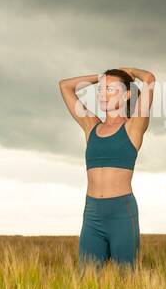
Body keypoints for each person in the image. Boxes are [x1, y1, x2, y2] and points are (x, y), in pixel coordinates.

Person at [58, 66, 155, 269]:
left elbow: (149, 78)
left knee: (126, 280)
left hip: (121, 213)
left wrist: (129, 71)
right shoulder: (91, 125)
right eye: (100, 90)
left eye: (110, 89)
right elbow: (65, 86)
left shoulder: (133, 127)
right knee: (87, 280)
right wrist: (100, 77)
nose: (102, 94)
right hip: (92, 214)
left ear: (127, 94)